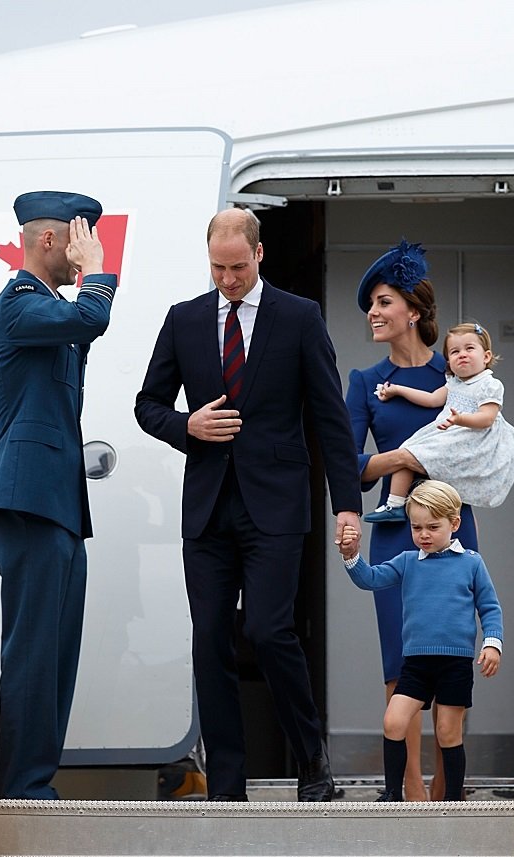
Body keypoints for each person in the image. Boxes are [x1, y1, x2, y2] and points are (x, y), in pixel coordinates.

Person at [134, 208, 362, 802]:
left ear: (259, 255)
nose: (228, 279)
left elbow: (330, 418)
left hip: (276, 507)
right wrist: (190, 426)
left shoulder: (298, 316)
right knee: (209, 638)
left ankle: (311, 761)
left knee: (267, 629)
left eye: (237, 267)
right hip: (208, 509)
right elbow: (147, 404)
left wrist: (348, 505)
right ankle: (227, 787)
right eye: (217, 267)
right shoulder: (183, 321)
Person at [0, 191, 117, 799]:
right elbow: (92, 320)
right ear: (51, 240)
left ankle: (35, 778)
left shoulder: (48, 314)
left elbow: (82, 334)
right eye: (79, 235)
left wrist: (84, 282)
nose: (84, 246)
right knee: (34, 648)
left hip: (56, 502)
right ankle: (24, 785)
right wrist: (98, 272)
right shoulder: (19, 306)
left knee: (57, 651)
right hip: (29, 499)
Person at [346, 238, 479, 800]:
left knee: (449, 650)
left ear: (413, 312)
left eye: (382, 302)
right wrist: (401, 458)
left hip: (455, 526)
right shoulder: (363, 380)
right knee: (401, 656)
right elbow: (350, 465)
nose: (373, 314)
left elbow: (484, 441)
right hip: (396, 533)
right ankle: (409, 788)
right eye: (371, 306)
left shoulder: (458, 374)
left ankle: (450, 786)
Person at [338, 480, 503, 802]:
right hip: (415, 664)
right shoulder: (406, 561)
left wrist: (492, 643)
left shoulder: (471, 563)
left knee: (447, 732)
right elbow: (369, 579)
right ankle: (392, 794)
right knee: (393, 722)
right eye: (416, 527)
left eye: (432, 526)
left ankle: (454, 799)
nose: (423, 534)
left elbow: (490, 607)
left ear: (454, 524)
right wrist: (352, 556)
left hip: (454, 664)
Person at [363, 321, 514, 522]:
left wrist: (460, 419)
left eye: (469, 348)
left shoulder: (489, 385)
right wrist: (397, 390)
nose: (462, 354)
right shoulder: (454, 383)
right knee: (408, 450)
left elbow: (487, 418)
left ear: (486, 356)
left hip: (472, 440)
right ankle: (395, 504)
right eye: (454, 352)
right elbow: (431, 399)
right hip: (448, 433)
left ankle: (407, 506)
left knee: (410, 455)